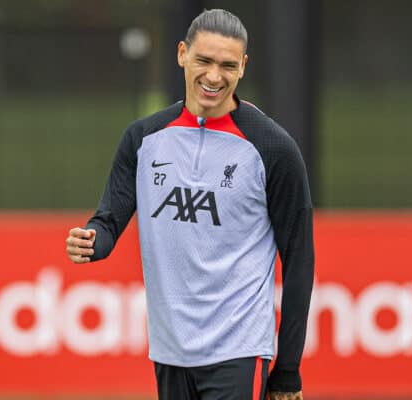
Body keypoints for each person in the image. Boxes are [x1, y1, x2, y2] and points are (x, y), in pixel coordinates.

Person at [66, 9, 314, 400]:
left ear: (243, 67)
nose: (214, 77)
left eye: (227, 65)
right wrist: (92, 240)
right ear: (182, 54)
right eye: (204, 61)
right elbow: (109, 220)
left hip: (240, 350)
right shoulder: (143, 139)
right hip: (170, 351)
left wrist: (288, 370)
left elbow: (299, 260)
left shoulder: (273, 149)